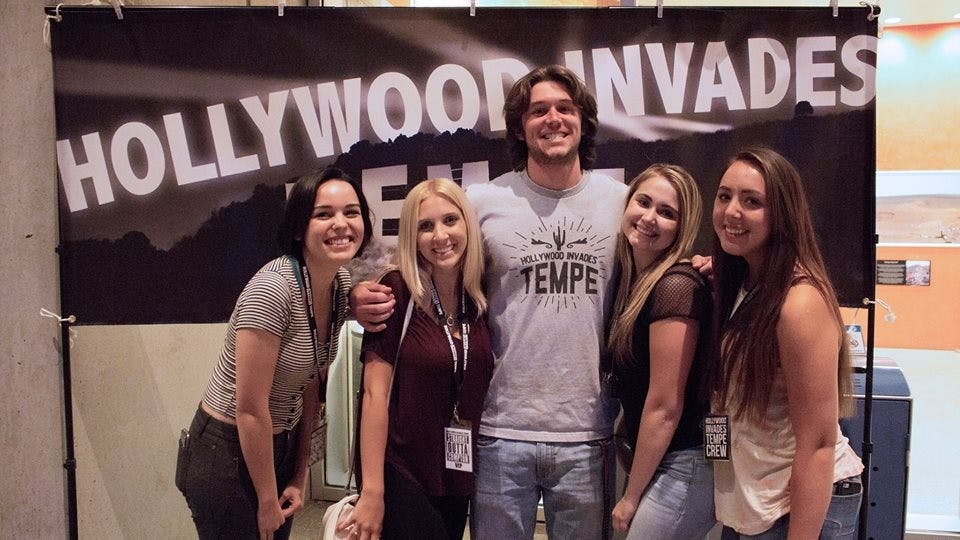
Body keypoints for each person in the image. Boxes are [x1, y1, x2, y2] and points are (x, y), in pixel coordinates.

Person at [176, 166, 373, 539]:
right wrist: (267, 499)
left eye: (351, 212)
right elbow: (249, 409)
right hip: (227, 450)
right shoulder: (273, 290)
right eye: (323, 214)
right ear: (299, 227)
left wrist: (298, 475)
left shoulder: (338, 284)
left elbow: (312, 386)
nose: (341, 224)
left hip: (277, 444)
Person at [708, 147, 864, 539]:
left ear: (782, 215)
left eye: (752, 202)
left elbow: (819, 443)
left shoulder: (799, 303)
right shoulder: (744, 282)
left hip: (797, 506)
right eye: (724, 196)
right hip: (755, 501)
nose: (731, 212)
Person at [342, 178, 494, 540]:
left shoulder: (477, 297)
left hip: (455, 471)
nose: (440, 236)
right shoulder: (396, 292)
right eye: (425, 226)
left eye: (450, 221)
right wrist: (373, 491)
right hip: (402, 472)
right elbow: (375, 395)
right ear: (412, 236)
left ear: (467, 225)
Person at [608, 164, 716, 539]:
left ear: (681, 228)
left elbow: (665, 407)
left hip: (686, 463)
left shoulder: (675, 287)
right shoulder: (633, 281)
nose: (649, 218)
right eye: (644, 202)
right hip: (665, 460)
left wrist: (631, 497)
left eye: (667, 213)